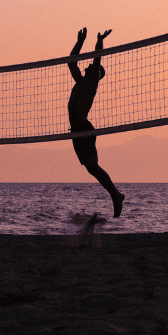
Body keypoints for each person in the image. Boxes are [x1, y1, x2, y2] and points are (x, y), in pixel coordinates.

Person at [67, 27, 125, 218]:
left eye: (92, 67)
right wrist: (80, 42)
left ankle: (116, 195)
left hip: (83, 129)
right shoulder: (80, 81)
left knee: (94, 167)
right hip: (76, 131)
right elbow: (71, 62)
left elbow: (97, 57)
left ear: (96, 74)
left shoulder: (91, 83)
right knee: (92, 168)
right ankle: (116, 194)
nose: (88, 66)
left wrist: (99, 40)